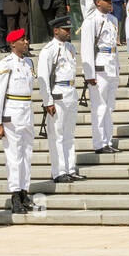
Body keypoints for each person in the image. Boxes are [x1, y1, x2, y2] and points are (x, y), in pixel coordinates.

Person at [0, 28, 36, 215]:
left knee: (27, 154)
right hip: (12, 113)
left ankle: (24, 192)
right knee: (14, 156)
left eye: (26, 39)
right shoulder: (5, 64)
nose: (26, 42)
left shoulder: (28, 63)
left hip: (26, 110)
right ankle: (15, 195)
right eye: (22, 40)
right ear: (12, 44)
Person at [37, 14, 82, 183]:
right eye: (65, 29)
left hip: (71, 92)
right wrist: (47, 101)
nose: (69, 31)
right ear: (56, 31)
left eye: (69, 29)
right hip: (58, 94)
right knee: (57, 136)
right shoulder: (48, 50)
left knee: (69, 134)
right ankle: (59, 171)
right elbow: (43, 77)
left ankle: (70, 168)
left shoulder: (70, 47)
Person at [80, 0, 120, 155]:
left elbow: (114, 47)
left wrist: (117, 67)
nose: (110, 3)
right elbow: (87, 49)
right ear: (98, 2)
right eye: (107, 0)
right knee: (99, 107)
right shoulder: (91, 21)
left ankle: (108, 140)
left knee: (109, 107)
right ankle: (99, 143)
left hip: (112, 66)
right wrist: (89, 74)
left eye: (110, 0)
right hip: (99, 68)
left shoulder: (113, 19)